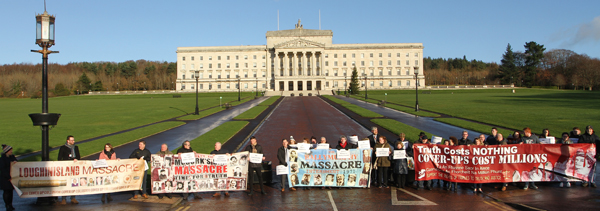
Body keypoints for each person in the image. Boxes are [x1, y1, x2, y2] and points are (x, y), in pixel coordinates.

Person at [58, 135, 80, 204]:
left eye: (73, 140)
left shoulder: (76, 147)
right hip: (65, 168)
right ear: (68, 141)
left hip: (74, 167)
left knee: (73, 182)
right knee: (65, 182)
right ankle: (64, 198)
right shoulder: (63, 148)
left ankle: (73, 197)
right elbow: (59, 158)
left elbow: (79, 156)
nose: (73, 141)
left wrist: (76, 159)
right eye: (72, 140)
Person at [1, 145, 17, 211]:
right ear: (6, 151)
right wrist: (8, 176)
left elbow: (16, 163)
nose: (11, 151)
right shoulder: (2, 159)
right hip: (5, 178)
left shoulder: (12, 157)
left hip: (11, 177)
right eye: (10, 150)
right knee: (6, 191)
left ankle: (10, 204)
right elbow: (3, 169)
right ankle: (7, 205)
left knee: (10, 191)